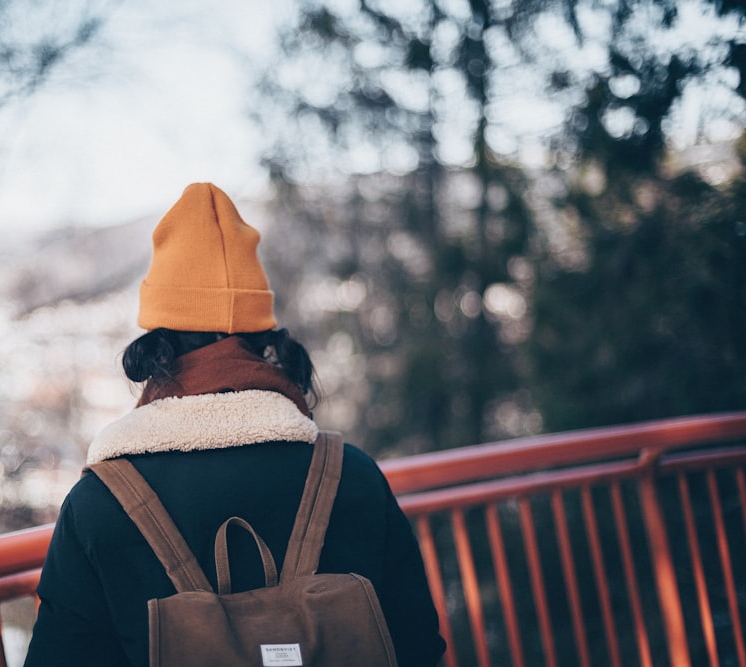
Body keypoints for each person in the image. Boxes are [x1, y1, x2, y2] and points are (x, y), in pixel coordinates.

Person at [23, 182, 446, 666]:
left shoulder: (100, 504)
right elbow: (419, 647)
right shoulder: (353, 475)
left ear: (155, 345)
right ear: (266, 337)